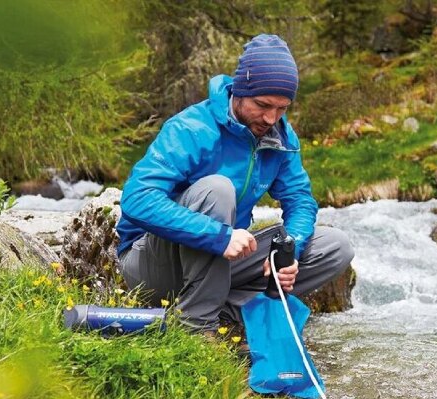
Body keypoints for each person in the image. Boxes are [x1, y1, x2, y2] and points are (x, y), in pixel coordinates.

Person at [116, 34, 354, 333]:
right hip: (153, 264)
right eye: (263, 105)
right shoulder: (191, 129)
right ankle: (197, 329)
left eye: (282, 108)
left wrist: (289, 250)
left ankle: (229, 314)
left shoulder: (280, 136)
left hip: (220, 261)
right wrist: (217, 236)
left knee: (335, 246)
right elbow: (137, 200)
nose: (271, 117)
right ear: (239, 92)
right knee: (217, 189)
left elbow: (301, 201)